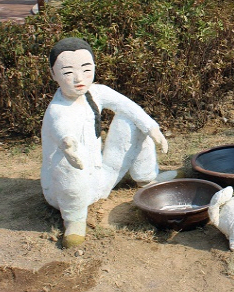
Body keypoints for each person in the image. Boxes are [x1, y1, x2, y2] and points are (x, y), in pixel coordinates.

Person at [41, 37, 176, 248]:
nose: (79, 78)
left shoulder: (96, 92)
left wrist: (152, 128)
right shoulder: (58, 109)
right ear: (53, 74)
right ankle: (74, 219)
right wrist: (68, 145)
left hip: (99, 177)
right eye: (67, 72)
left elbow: (127, 105)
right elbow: (62, 128)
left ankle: (147, 178)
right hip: (66, 190)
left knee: (131, 119)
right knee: (66, 160)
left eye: (86, 69)